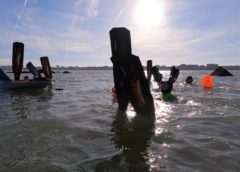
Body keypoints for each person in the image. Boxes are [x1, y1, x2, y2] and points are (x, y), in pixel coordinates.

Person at [110, 27, 154, 115]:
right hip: (124, 88)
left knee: (145, 113)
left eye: (123, 45)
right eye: (120, 45)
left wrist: (142, 99)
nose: (122, 47)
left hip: (134, 88)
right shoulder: (117, 62)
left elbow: (141, 80)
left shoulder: (134, 60)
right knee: (122, 111)